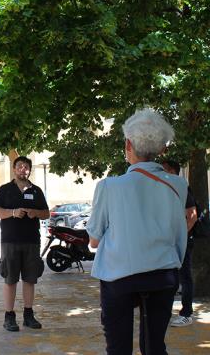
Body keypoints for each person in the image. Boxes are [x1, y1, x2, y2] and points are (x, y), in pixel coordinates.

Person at [86, 108, 189, 355]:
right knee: (154, 347)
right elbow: (178, 233)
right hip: (163, 273)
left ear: (128, 144)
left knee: (118, 348)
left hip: (118, 276)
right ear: (163, 149)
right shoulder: (178, 185)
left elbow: (94, 240)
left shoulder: (108, 186)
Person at [0, 156, 49, 332]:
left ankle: (28, 315)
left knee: (30, 279)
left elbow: (46, 213)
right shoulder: (5, 189)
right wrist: (12, 212)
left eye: (26, 167)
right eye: (19, 166)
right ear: (14, 169)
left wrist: (35, 212)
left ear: (29, 170)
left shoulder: (36, 191)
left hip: (32, 241)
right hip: (10, 241)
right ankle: (9, 317)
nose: (23, 169)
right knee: (10, 279)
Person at [162, 160, 197, 327]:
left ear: (172, 171)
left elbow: (192, 215)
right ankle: (165, 312)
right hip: (169, 240)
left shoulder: (181, 187)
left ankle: (186, 313)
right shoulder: (165, 189)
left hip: (182, 241)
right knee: (171, 276)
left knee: (184, 276)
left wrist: (182, 236)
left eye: (164, 170)